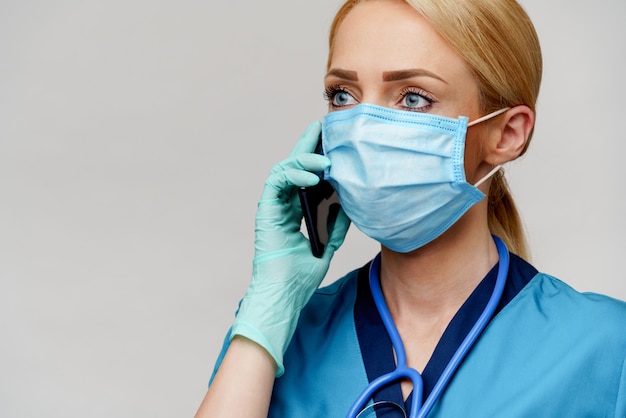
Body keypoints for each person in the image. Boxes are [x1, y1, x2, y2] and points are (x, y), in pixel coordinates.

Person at [195, 0, 626, 416]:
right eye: (343, 96)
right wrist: (269, 305)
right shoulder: (279, 338)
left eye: (413, 98)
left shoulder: (606, 347)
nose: (363, 129)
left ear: (507, 134)